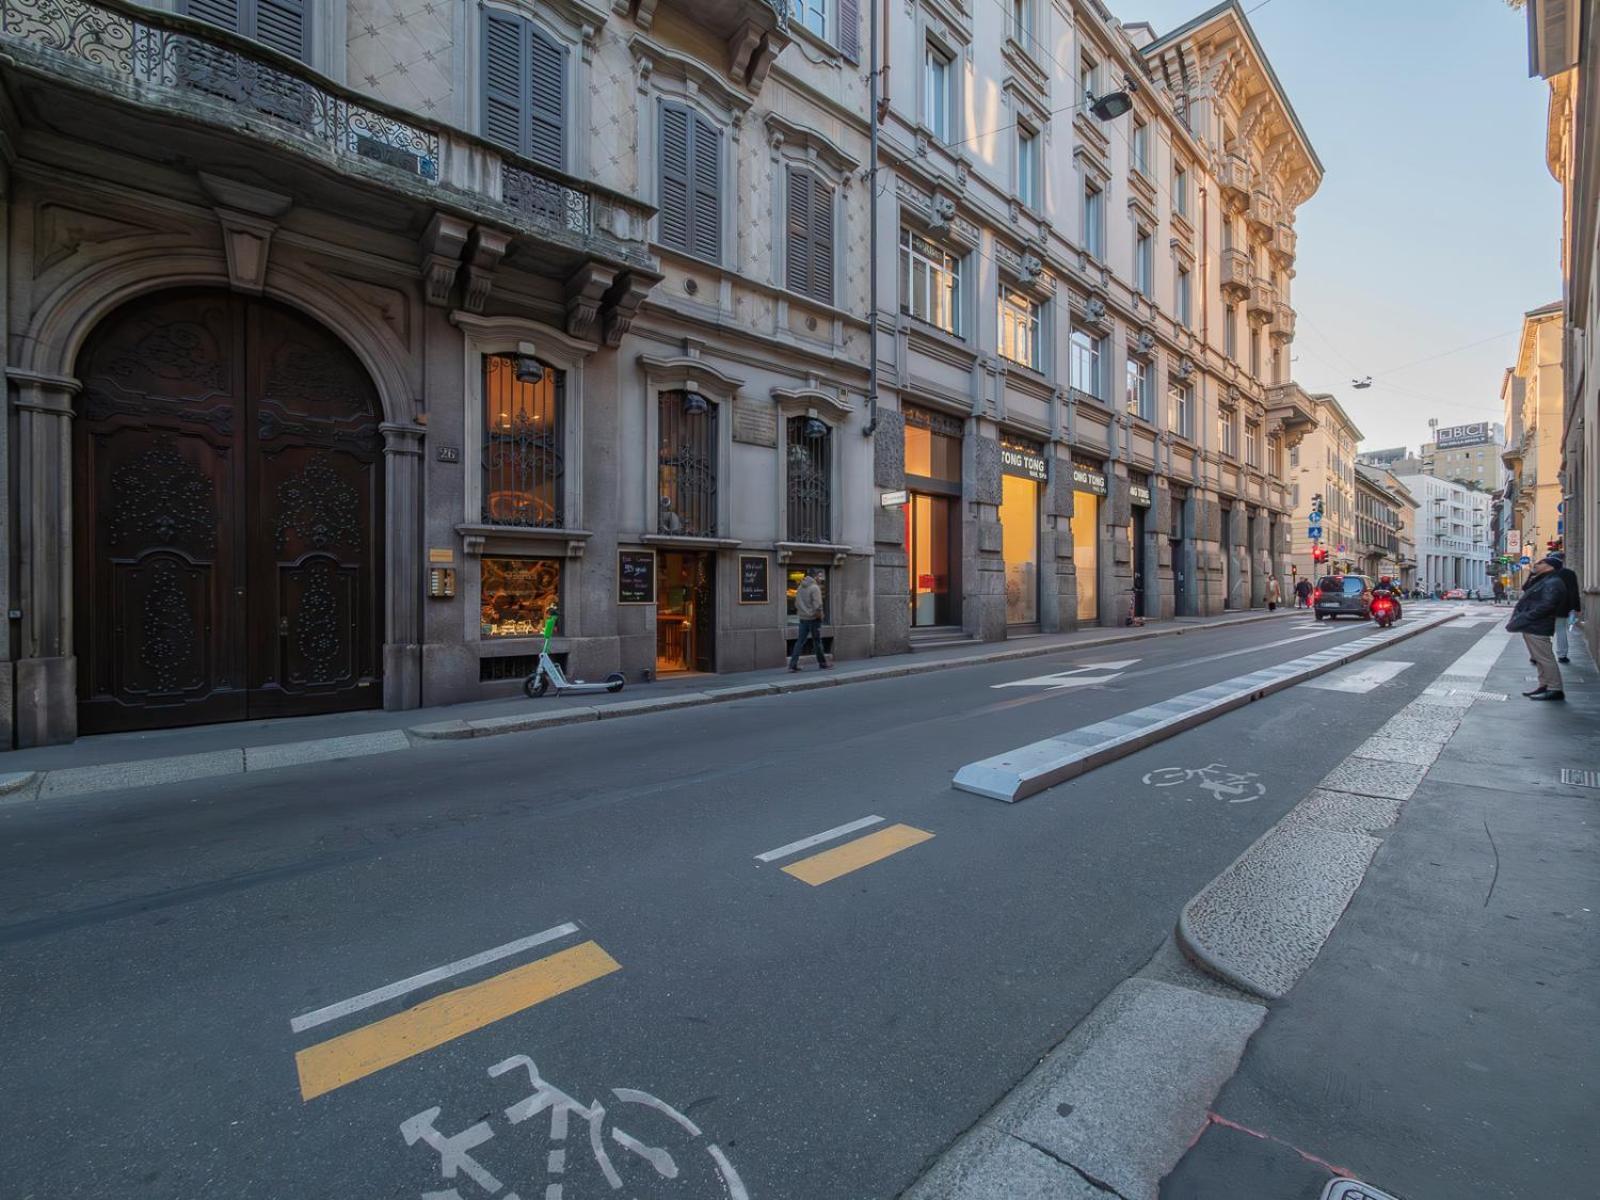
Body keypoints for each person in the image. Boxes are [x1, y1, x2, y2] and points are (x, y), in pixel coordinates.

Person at [1507, 554, 1570, 701]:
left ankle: (1555, 688)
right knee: (1540, 658)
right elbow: (1526, 588)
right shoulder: (1544, 579)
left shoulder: (1553, 582)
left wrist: (1526, 617)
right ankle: (1544, 685)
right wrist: (1532, 573)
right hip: (1533, 625)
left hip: (1538, 625)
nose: (1536, 564)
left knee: (1545, 658)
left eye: (1540, 563)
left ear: (1550, 566)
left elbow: (1547, 605)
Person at [788, 570, 829, 672]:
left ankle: (792, 665)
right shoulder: (815, 588)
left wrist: (802, 612)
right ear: (814, 577)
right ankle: (823, 663)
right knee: (817, 641)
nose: (821, 578)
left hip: (803, 618)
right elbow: (818, 605)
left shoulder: (800, 587)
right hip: (814, 618)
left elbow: (796, 603)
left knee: (800, 641)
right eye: (819, 576)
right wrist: (819, 616)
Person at [1548, 552, 1581, 663]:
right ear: (1562, 561)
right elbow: (1573, 592)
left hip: (1545, 607)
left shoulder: (1546, 574)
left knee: (1543, 632)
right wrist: (1575, 608)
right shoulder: (1569, 574)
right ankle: (1562, 655)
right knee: (1561, 630)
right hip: (1562, 608)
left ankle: (1539, 655)